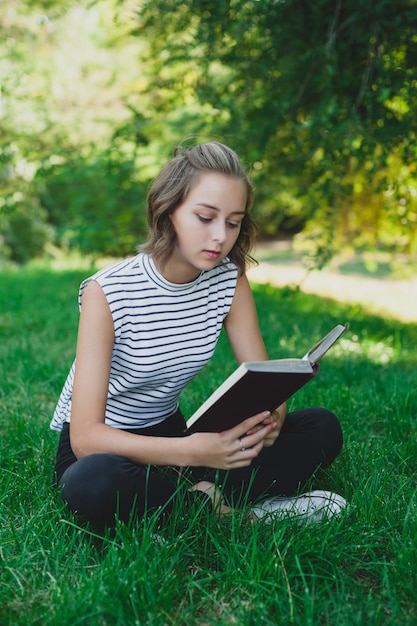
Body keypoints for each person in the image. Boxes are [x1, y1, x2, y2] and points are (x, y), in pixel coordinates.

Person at [51, 141, 345, 528]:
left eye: (233, 221)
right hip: (106, 448)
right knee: (91, 484)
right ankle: (237, 514)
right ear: (168, 210)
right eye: (205, 217)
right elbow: (86, 438)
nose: (220, 236)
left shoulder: (229, 280)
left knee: (321, 426)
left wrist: (269, 419)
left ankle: (185, 506)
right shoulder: (106, 291)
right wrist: (192, 452)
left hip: (174, 432)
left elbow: (263, 377)